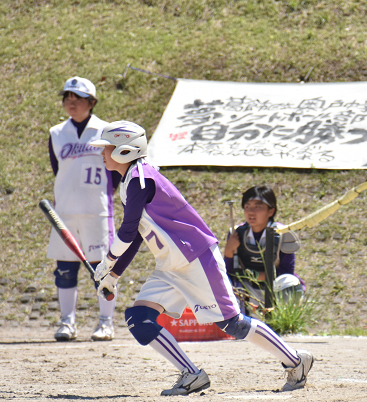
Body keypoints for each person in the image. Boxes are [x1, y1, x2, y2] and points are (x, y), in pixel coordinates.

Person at [89, 121, 313, 396]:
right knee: (140, 318)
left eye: (107, 147)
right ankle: (191, 374)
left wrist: (109, 260)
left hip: (196, 258)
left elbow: (126, 230)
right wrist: (113, 274)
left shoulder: (139, 179)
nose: (102, 153)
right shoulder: (131, 180)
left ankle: (295, 360)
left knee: (233, 324)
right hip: (171, 264)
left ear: (125, 150)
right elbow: (135, 234)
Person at [47, 77, 120, 341]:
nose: (71, 102)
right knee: (65, 268)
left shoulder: (105, 131)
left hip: (97, 212)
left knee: (103, 268)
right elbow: (59, 171)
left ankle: (105, 322)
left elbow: (116, 171)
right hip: (65, 212)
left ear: (92, 102)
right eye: (67, 97)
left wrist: (105, 195)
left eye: (77, 98)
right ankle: (67, 323)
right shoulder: (56, 132)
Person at [223, 186, 304, 315]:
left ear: (271, 211)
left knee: (290, 282)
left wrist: (255, 275)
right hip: (247, 287)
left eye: (258, 207)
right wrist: (228, 251)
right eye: (247, 206)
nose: (251, 212)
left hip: (275, 287)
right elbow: (229, 272)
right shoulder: (236, 233)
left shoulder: (283, 234)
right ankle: (239, 323)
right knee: (225, 285)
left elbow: (287, 271)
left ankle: (283, 321)